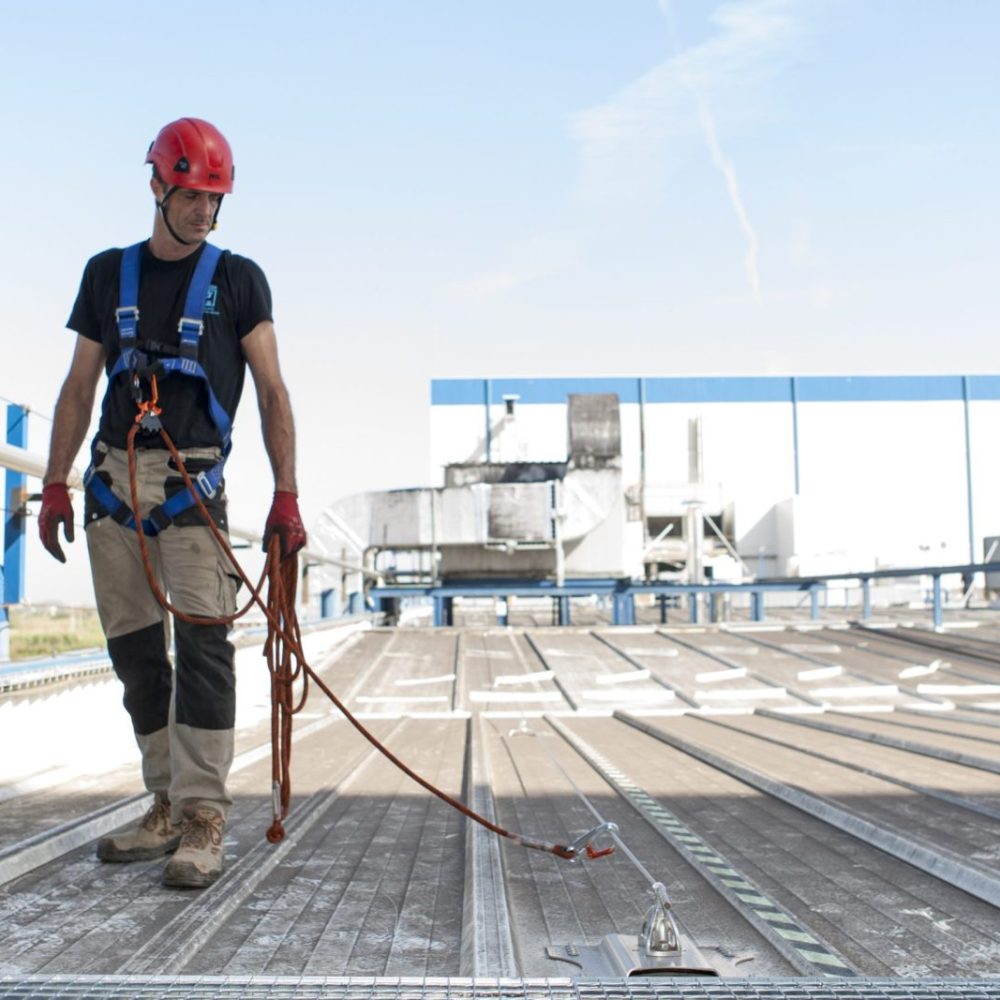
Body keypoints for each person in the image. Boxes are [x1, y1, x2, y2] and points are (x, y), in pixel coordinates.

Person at [38, 117, 306, 889]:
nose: (203, 212)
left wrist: (286, 495)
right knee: (134, 656)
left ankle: (203, 816)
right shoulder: (104, 275)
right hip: (111, 488)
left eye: (214, 199)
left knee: (204, 652)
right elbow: (79, 386)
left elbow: (273, 391)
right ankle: (163, 801)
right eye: (191, 196)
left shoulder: (239, 280)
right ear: (158, 186)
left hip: (192, 488)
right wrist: (56, 481)